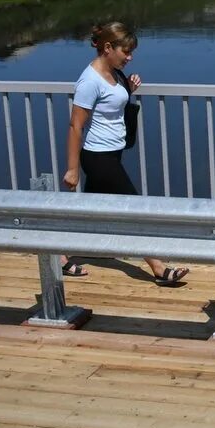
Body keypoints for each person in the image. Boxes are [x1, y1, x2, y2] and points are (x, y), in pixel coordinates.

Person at [61, 22, 189, 286]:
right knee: (134, 208)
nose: (130, 57)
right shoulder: (89, 80)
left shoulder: (114, 74)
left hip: (112, 153)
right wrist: (72, 169)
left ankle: (59, 257)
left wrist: (128, 88)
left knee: (85, 211)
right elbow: (76, 126)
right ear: (108, 48)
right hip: (98, 157)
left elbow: (111, 102)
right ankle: (159, 268)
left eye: (131, 52)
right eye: (126, 51)